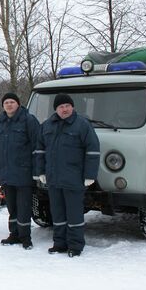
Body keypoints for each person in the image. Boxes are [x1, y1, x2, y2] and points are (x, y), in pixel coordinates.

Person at [36, 93, 100, 257]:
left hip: (74, 178)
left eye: (67, 106)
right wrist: (41, 171)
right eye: (61, 107)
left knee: (74, 215)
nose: (64, 109)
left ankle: (75, 246)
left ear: (72, 107)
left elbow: (92, 149)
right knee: (57, 214)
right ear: (56, 109)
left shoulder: (82, 125)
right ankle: (60, 243)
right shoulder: (47, 125)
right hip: (53, 179)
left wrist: (90, 175)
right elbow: (40, 150)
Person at [0, 93, 41, 249]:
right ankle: (14, 234)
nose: (9, 105)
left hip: (24, 173)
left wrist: (37, 171)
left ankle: (25, 237)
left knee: (24, 207)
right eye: (6, 102)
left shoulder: (29, 120)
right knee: (12, 207)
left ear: (18, 104)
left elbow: (37, 147)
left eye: (12, 102)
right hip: (6, 174)